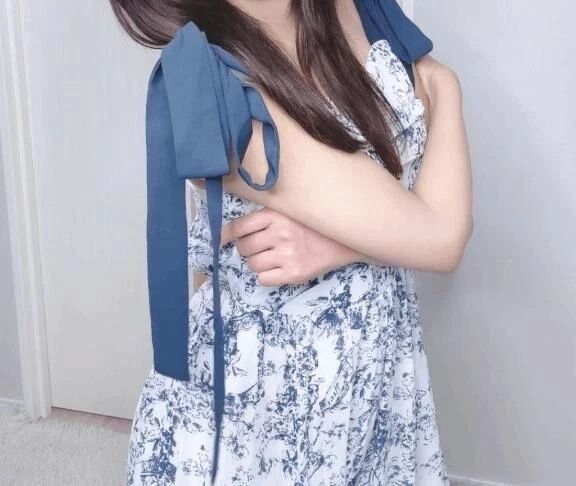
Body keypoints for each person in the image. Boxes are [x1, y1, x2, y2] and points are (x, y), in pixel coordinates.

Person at [111, 0, 473, 484]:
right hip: (276, 402)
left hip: (378, 369)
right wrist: (444, 90)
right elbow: (441, 235)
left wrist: (339, 244)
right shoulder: (212, 85)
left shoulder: (355, 8)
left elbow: (431, 225)